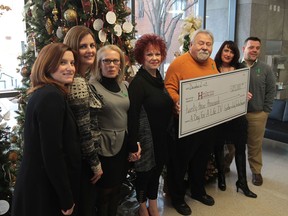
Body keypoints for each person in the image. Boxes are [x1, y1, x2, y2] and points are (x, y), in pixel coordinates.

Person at [12, 43, 81, 216]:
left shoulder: (45, 92)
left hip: (38, 185)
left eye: (72, 63)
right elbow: (52, 153)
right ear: (47, 64)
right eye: (63, 62)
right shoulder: (51, 96)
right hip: (43, 190)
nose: (70, 68)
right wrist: (66, 197)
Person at [164, 29, 219, 216]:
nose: (205, 47)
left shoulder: (212, 64)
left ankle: (198, 191)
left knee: (201, 160)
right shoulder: (178, 63)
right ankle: (178, 198)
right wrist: (177, 100)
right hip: (184, 124)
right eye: (201, 43)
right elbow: (169, 86)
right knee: (179, 164)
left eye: (208, 44)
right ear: (191, 45)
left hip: (206, 123)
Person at [89, 44, 141, 216]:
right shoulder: (92, 87)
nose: (111, 65)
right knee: (105, 191)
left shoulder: (124, 85)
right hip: (104, 147)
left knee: (117, 187)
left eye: (115, 61)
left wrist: (134, 144)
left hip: (122, 145)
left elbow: (130, 116)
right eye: (107, 61)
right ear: (99, 64)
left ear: (120, 64)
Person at [128, 34, 173, 216]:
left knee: (156, 173)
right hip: (146, 141)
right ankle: (141, 207)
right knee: (144, 176)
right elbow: (131, 116)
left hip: (161, 138)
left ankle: (153, 204)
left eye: (157, 54)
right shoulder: (138, 83)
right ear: (141, 57)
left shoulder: (158, 79)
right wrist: (133, 144)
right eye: (149, 55)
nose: (154, 58)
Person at [63, 25, 103, 216]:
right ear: (72, 49)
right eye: (83, 46)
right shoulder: (77, 83)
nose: (90, 50)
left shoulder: (82, 77)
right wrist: (95, 164)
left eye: (92, 45)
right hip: (84, 162)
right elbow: (83, 131)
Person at [213, 40, 257, 198]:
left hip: (237, 116)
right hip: (218, 116)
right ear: (221, 51)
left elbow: (244, 88)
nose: (228, 54)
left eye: (231, 52)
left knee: (240, 148)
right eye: (226, 50)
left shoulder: (240, 68)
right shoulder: (212, 67)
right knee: (218, 147)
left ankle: (242, 182)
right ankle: (221, 177)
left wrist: (246, 94)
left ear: (235, 54)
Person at [242, 37, 276, 186]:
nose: (254, 50)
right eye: (251, 47)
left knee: (255, 145)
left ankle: (256, 171)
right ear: (244, 49)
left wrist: (266, 111)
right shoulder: (236, 66)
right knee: (231, 145)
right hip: (235, 115)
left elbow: (271, 90)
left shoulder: (265, 68)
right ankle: (224, 167)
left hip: (257, 114)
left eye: (257, 48)